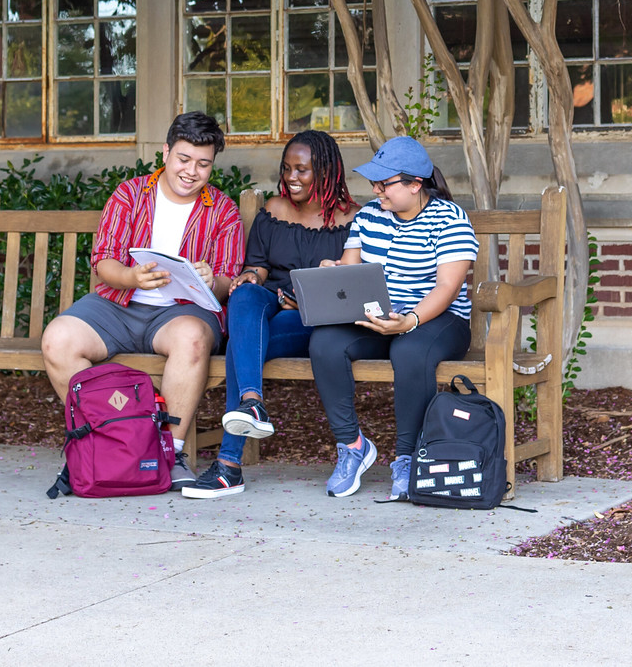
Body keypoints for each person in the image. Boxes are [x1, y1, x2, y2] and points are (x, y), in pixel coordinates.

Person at [39, 111, 244, 491]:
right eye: (183, 159)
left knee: (193, 340)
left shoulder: (223, 209)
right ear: (165, 152)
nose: (191, 171)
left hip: (183, 312)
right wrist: (132, 276)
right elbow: (104, 260)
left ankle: (170, 451)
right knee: (58, 339)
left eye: (203, 164)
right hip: (119, 302)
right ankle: (105, 441)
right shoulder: (130, 194)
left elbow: (229, 280)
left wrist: (212, 280)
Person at [182, 130, 357, 499]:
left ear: (326, 171)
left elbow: (351, 286)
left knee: (240, 346)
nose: (291, 177)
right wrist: (249, 276)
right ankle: (252, 403)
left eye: (302, 170)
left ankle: (229, 465)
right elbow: (259, 266)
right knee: (245, 295)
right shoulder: (274, 211)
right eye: (287, 168)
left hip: (315, 320)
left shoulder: (353, 219)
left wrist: (309, 299)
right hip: (270, 302)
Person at [308, 135, 478, 501]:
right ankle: (352, 446)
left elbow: (447, 287)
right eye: (374, 183)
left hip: (438, 320)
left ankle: (408, 457)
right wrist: (332, 272)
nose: (375, 190)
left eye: (384, 184)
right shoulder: (370, 215)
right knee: (324, 343)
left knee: (409, 351)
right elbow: (351, 273)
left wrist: (410, 321)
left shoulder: (449, 219)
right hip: (379, 315)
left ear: (416, 184)